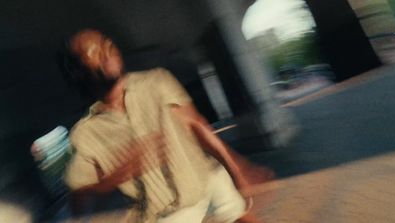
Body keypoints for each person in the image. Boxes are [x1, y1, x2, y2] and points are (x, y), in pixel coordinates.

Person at [63, 29, 268, 223]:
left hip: (206, 177)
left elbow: (196, 124)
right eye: (93, 50)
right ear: (78, 71)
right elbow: (79, 198)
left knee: (241, 215)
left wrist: (238, 169)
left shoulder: (156, 80)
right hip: (169, 213)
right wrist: (118, 175)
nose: (106, 49)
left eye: (106, 43)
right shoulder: (85, 134)